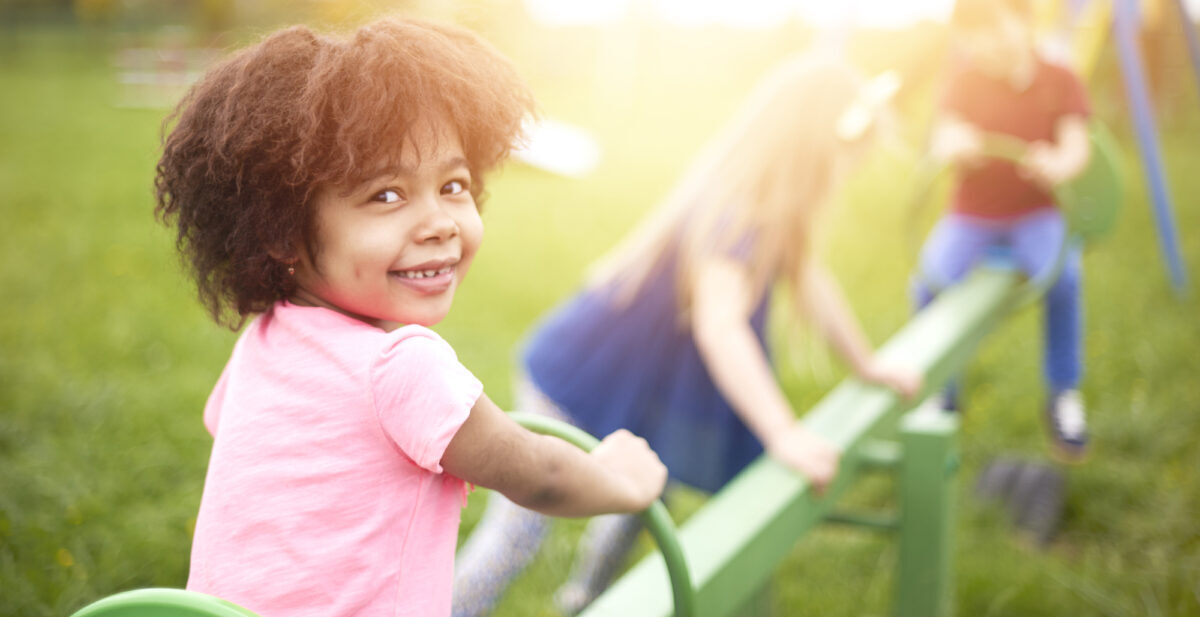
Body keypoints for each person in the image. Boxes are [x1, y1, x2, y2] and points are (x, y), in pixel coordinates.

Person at [153, 17, 668, 617]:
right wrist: (621, 480)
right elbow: (540, 475)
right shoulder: (401, 367)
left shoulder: (264, 341)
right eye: (387, 195)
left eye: (454, 185)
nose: (441, 221)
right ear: (280, 232)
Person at [453, 54, 923, 617]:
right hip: (582, 377)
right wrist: (783, 433)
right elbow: (720, 324)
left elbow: (810, 280)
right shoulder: (739, 213)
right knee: (522, 529)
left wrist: (865, 364)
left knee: (639, 499)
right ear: (810, 145)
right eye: (846, 150)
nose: (850, 166)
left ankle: (584, 600)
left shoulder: (776, 209)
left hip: (639, 386)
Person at [914, 0, 1093, 462]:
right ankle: (942, 390)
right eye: (971, 34)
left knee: (1064, 279)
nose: (983, 44)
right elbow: (944, 134)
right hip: (972, 214)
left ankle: (1062, 392)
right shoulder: (965, 81)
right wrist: (955, 143)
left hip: (1037, 212)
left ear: (1026, 22)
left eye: (993, 29)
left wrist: (1058, 164)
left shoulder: (1060, 79)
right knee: (928, 285)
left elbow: (1077, 146)